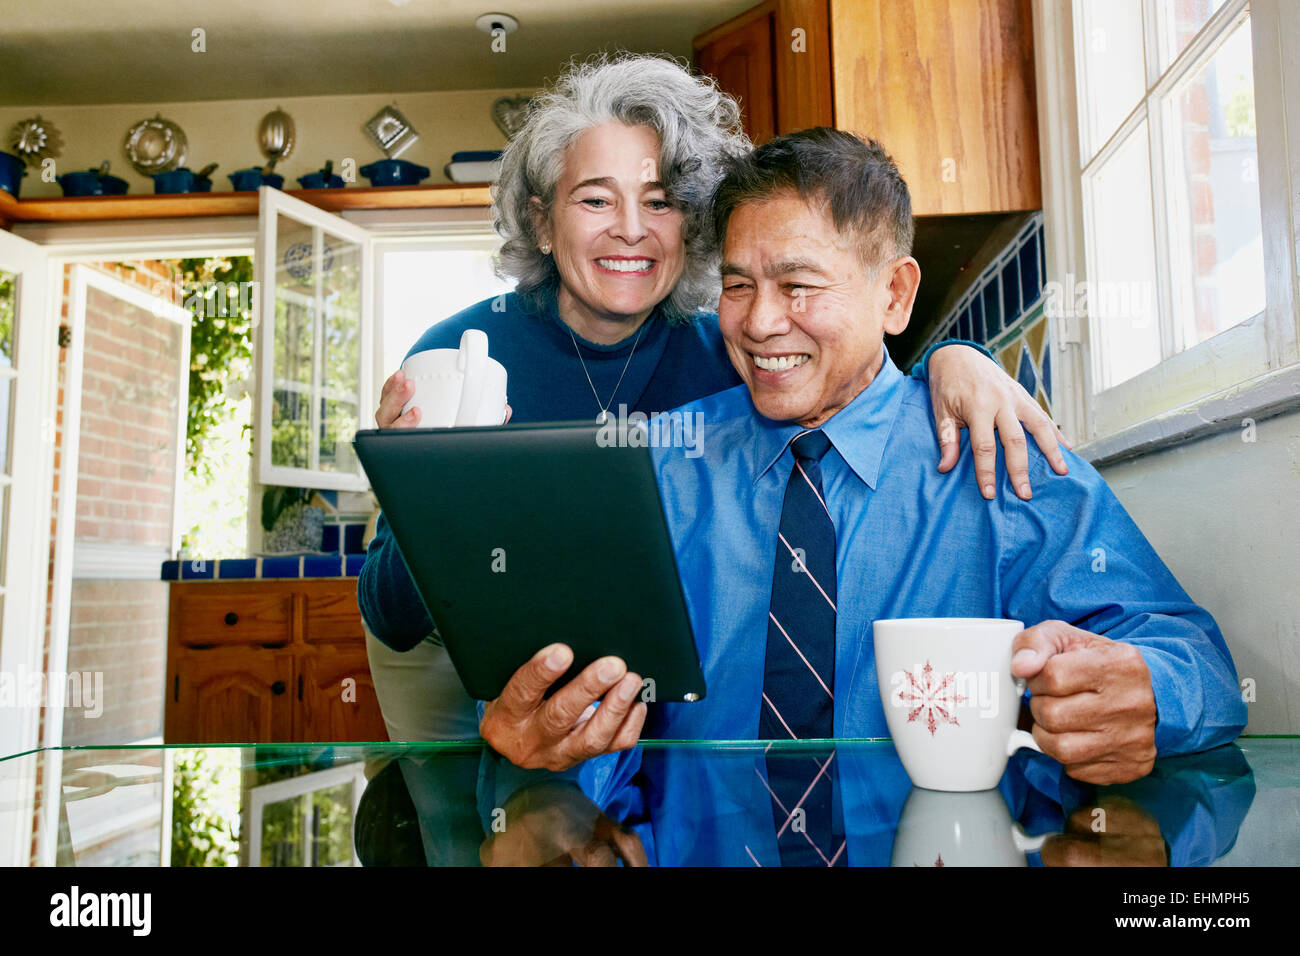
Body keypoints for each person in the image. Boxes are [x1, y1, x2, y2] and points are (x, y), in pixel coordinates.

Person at [483, 128, 1248, 797]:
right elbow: (582, 715)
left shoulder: (998, 448)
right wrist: (548, 751)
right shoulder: (654, 466)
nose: (758, 322)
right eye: (739, 286)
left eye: (798, 284)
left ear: (894, 293)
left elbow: (1197, 663)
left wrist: (1150, 695)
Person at [359, 54, 1072, 747]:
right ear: (543, 222)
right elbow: (391, 614)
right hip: (457, 648)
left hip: (624, 663)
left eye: (660, 201)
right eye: (596, 198)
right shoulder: (466, 350)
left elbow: (857, 385)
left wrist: (959, 360)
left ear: (693, 223)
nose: (631, 228)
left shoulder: (735, 349)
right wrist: (430, 496)